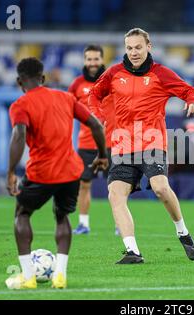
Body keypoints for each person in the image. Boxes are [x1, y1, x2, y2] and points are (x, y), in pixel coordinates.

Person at [89, 28, 194, 264]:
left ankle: (183, 232)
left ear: (148, 47)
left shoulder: (161, 74)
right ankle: (132, 251)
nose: (134, 52)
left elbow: (190, 91)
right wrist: (98, 115)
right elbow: (94, 95)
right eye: (129, 48)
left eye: (138, 47)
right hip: (122, 145)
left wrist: (192, 101)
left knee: (160, 188)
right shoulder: (113, 73)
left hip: (152, 141)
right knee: (115, 195)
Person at [5, 57, 108, 289]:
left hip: (42, 171)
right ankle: (60, 276)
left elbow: (19, 135)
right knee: (62, 216)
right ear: (43, 78)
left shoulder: (20, 105)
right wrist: (103, 155)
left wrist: (11, 171)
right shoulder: (66, 97)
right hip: (71, 170)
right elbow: (96, 125)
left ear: (20, 82)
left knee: (22, 214)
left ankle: (28, 277)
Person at [68, 44, 118, 235]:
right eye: (89, 59)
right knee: (84, 184)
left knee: (116, 186)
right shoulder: (77, 84)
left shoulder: (112, 82)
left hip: (111, 143)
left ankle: (119, 225)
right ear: (84, 61)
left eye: (96, 59)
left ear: (102, 60)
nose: (92, 63)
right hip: (86, 144)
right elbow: (67, 109)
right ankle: (83, 224)